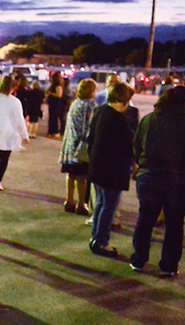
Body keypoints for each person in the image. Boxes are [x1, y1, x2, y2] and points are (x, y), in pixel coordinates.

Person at [130, 86, 185, 277]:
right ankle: (168, 265)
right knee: (174, 223)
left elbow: (136, 146)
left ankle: (139, 259)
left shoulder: (149, 119)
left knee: (145, 219)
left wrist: (142, 164)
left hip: (149, 176)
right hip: (179, 179)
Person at [85, 82, 135, 257]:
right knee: (109, 206)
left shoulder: (100, 112)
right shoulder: (119, 119)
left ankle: (96, 238)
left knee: (101, 203)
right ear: (123, 100)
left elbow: (90, 138)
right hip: (113, 170)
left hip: (98, 167)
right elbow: (129, 146)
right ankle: (101, 242)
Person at [59, 79, 97, 215]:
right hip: (81, 146)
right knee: (82, 176)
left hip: (69, 145)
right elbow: (87, 127)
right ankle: (81, 203)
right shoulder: (90, 105)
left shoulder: (75, 103)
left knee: (71, 174)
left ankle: (69, 200)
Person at [0, 75, 29, 191]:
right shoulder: (14, 102)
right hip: (8, 133)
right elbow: (20, 119)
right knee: (4, 158)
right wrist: (25, 135)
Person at [46, 72, 65, 138]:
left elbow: (59, 95)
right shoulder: (53, 85)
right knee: (51, 117)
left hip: (56, 103)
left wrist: (51, 93)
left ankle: (55, 131)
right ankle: (51, 131)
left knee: (54, 117)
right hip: (52, 103)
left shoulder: (58, 86)